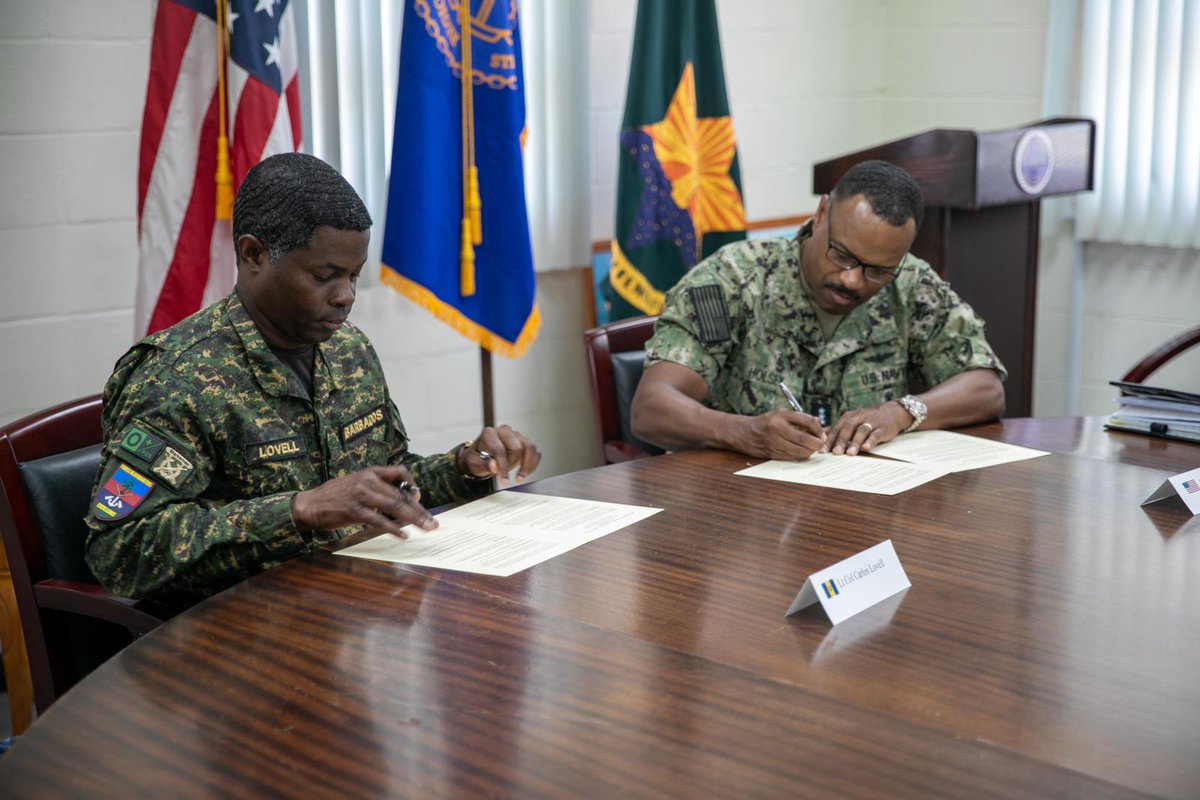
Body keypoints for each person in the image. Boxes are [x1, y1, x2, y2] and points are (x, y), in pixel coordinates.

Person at [85, 152, 540, 610]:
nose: (345, 297)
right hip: (239, 633)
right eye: (325, 276)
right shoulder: (178, 379)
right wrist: (299, 510)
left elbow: (387, 481)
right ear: (253, 254)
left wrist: (464, 465)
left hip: (350, 607)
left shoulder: (347, 350)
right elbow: (121, 549)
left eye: (353, 275)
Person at [631, 159, 1005, 461]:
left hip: (861, 510)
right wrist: (743, 432)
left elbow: (986, 389)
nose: (853, 281)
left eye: (877, 270)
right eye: (841, 255)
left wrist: (902, 412)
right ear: (822, 213)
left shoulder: (910, 286)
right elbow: (651, 408)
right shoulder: (732, 280)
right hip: (741, 515)